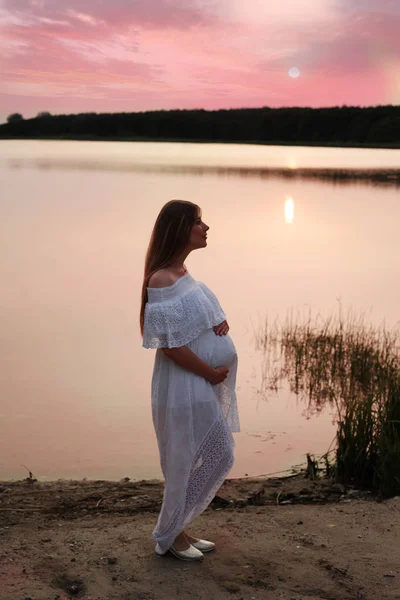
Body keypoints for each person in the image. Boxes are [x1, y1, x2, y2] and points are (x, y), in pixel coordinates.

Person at [140, 199, 240, 562]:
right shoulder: (161, 279)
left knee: (214, 451)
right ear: (180, 229)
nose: (206, 227)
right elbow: (170, 346)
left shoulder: (182, 273)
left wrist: (216, 322)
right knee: (182, 458)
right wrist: (210, 372)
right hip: (182, 382)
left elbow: (191, 318)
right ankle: (168, 536)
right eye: (198, 221)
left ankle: (178, 527)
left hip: (197, 381)